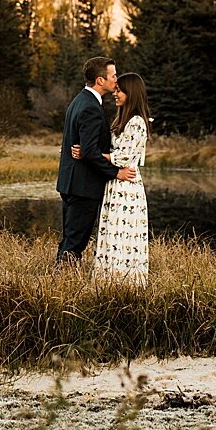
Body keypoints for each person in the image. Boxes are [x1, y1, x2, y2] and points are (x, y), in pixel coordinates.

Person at [55, 57, 136, 266]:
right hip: (83, 185)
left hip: (71, 182)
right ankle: (63, 284)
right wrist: (116, 172)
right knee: (75, 241)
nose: (116, 80)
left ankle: (60, 279)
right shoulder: (90, 107)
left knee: (70, 237)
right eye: (113, 75)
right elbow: (90, 151)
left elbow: (85, 147)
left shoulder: (79, 100)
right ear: (100, 80)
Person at [86, 72, 151, 285]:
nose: (116, 93)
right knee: (112, 232)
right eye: (116, 88)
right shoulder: (122, 119)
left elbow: (123, 156)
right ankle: (106, 282)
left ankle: (126, 283)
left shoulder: (137, 122)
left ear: (131, 93)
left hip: (127, 186)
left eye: (120, 90)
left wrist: (91, 153)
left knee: (124, 234)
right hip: (115, 184)